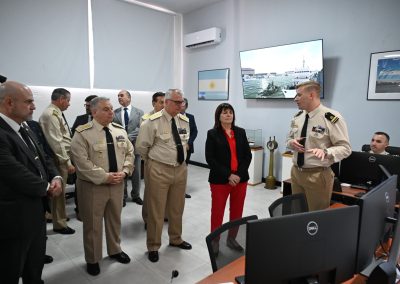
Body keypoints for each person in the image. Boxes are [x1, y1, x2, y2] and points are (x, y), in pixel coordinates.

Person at [0, 81, 62, 283]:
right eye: (29, 102)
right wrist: (46, 188)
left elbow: (43, 156)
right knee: (10, 269)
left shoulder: (25, 126)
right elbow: (13, 171)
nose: (34, 106)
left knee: (34, 265)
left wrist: (55, 177)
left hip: (36, 211)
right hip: (13, 217)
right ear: (9, 103)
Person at [71, 97, 134, 276]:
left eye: (111, 109)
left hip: (117, 184)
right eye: (106, 109)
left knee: (115, 220)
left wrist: (125, 171)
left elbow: (129, 152)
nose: (111, 113)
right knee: (93, 224)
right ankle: (93, 258)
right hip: (93, 187)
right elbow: (82, 163)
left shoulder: (119, 130)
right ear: (94, 112)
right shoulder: (82, 133)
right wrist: (105, 177)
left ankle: (115, 250)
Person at [136, 88, 192, 263]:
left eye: (181, 102)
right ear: (166, 102)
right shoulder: (151, 122)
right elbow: (141, 148)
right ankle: (153, 245)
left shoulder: (184, 120)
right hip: (159, 169)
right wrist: (154, 163)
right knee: (156, 210)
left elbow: (184, 143)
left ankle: (176, 239)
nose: (180, 105)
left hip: (180, 169)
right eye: (176, 102)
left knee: (177, 208)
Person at [286, 81, 351, 211]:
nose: (295, 99)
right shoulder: (298, 117)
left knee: (315, 219)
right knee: (297, 213)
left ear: (311, 95)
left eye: (299, 95)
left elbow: (345, 148)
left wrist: (326, 151)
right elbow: (289, 138)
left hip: (317, 175)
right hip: (296, 173)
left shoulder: (331, 117)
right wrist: (291, 143)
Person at [205, 103, 252, 256]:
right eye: (224, 112)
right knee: (217, 212)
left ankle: (232, 238)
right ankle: (215, 240)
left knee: (237, 211)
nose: (228, 115)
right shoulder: (212, 134)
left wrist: (238, 174)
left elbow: (247, 155)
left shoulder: (240, 132)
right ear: (218, 116)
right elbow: (210, 159)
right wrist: (228, 175)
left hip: (240, 180)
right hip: (220, 180)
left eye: (230, 112)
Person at [39, 88, 75, 234]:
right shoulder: (51, 114)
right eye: (68, 100)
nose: (69, 104)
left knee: (59, 192)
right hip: (58, 157)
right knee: (59, 192)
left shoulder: (56, 112)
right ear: (61, 99)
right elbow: (57, 142)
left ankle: (55, 216)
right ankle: (59, 224)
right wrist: (67, 162)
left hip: (60, 155)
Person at [113, 90, 144, 206]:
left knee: (136, 173)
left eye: (121, 95)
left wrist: (127, 138)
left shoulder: (139, 112)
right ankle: (123, 196)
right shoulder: (114, 112)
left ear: (129, 98)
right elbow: (113, 128)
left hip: (135, 146)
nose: (119, 98)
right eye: (118, 96)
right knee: (122, 172)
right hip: (120, 148)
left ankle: (136, 195)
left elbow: (140, 128)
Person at [140, 91, 165, 228]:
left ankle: (163, 215)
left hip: (165, 161)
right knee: (150, 192)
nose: (164, 105)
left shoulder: (169, 117)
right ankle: (148, 218)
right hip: (152, 161)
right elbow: (144, 144)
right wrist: (147, 160)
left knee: (166, 191)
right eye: (161, 102)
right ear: (154, 103)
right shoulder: (146, 118)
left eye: (165, 102)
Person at [70, 95, 98, 218]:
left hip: (98, 160)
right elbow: (73, 138)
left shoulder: (105, 121)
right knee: (80, 186)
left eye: (89, 105)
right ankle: (80, 210)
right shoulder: (80, 119)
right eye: (85, 105)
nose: (86, 107)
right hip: (82, 160)